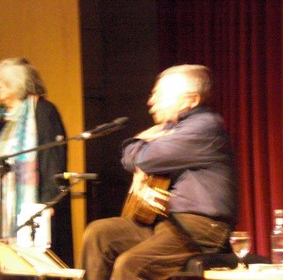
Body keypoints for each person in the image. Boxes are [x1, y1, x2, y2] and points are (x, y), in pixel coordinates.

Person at [79, 64, 238, 279]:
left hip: (200, 228)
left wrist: (140, 144)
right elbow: (131, 159)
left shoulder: (204, 127)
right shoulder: (172, 129)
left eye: (159, 95)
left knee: (131, 264)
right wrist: (140, 150)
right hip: (165, 222)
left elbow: (145, 159)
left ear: (190, 100)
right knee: (99, 233)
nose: (151, 101)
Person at [0, 57, 74, 268]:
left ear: (20, 83)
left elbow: (53, 159)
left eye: (3, 81)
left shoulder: (42, 111)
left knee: (31, 268)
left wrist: (49, 202)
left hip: (30, 206)